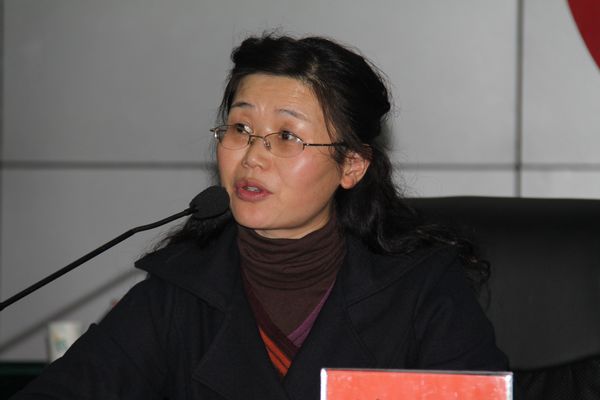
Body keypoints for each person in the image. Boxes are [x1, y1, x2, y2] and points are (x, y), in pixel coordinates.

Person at [13, 34, 507, 399]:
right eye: (240, 129)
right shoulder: (179, 289)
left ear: (351, 166)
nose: (252, 156)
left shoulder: (422, 288)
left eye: (287, 137)